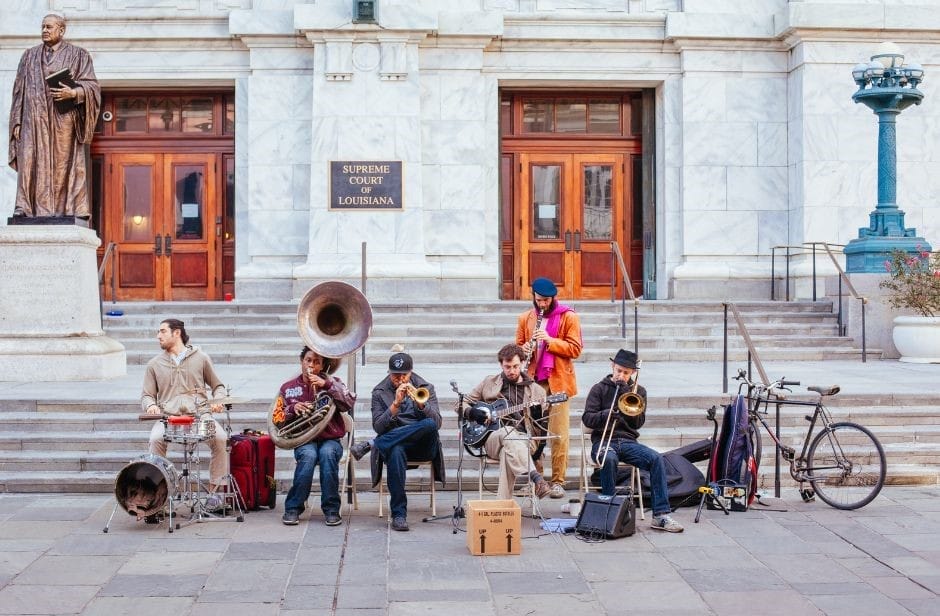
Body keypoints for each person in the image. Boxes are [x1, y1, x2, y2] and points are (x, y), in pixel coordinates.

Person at [8, 13, 101, 219]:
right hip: (33, 119)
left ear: (61, 30)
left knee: (63, 164)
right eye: (42, 27)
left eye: (49, 27)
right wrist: (17, 120)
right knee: (29, 159)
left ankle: (68, 209)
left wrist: (74, 93)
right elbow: (18, 90)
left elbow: (93, 86)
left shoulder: (79, 55)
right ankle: (24, 206)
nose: (45, 30)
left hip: (63, 120)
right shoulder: (28, 56)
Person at [582, 349, 684, 533]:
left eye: (626, 372)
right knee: (609, 459)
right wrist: (608, 414)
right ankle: (609, 511)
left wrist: (626, 394)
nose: (621, 375)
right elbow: (587, 419)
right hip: (604, 441)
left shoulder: (639, 392)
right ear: (612, 366)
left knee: (656, 459)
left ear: (633, 373)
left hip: (628, 442)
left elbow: (637, 424)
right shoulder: (599, 389)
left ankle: (660, 515)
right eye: (618, 370)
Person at [349, 349, 444, 532]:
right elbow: (378, 426)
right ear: (389, 373)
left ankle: (374, 443)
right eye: (395, 375)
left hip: (423, 444)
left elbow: (437, 422)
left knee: (429, 424)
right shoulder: (379, 392)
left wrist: (421, 404)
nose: (400, 379)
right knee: (395, 450)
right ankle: (399, 514)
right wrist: (395, 405)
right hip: (396, 444)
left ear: (411, 372)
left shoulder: (426, 388)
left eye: (404, 375)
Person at [141, 319, 228, 514]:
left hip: (199, 416)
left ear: (177, 333)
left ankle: (214, 494)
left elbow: (218, 386)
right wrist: (151, 405)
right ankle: (159, 496)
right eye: (158, 332)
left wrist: (218, 401)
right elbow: (147, 395)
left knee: (221, 438)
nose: (158, 336)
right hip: (169, 418)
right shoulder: (154, 364)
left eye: (162, 331)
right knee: (155, 440)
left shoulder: (201, 357)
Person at [515, 277, 582, 499]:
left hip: (558, 381)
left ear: (553, 298)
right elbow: (517, 347)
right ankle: (537, 480)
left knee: (559, 433)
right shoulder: (526, 317)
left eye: (546, 300)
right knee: (533, 432)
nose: (542, 304)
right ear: (533, 297)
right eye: (539, 300)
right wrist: (523, 349)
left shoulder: (568, 316)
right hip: (534, 382)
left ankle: (558, 481)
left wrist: (550, 340)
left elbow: (575, 349)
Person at [275, 347, 356, 527]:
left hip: (330, 439)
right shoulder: (288, 388)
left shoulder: (333, 383)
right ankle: (293, 508)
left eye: (316, 362)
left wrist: (326, 385)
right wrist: (291, 410)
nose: (311, 365)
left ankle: (332, 509)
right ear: (301, 361)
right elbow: (277, 418)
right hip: (304, 439)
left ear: (323, 366)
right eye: (308, 360)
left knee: (327, 454)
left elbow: (349, 401)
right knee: (308, 456)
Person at [462, 344, 551, 500]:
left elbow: (540, 430)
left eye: (516, 366)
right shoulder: (489, 382)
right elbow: (461, 403)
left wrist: (537, 414)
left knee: (508, 446)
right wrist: (472, 412)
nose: (512, 371)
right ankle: (536, 478)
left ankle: (503, 508)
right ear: (501, 365)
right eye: (507, 367)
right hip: (492, 438)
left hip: (525, 441)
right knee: (506, 432)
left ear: (523, 363)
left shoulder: (538, 391)